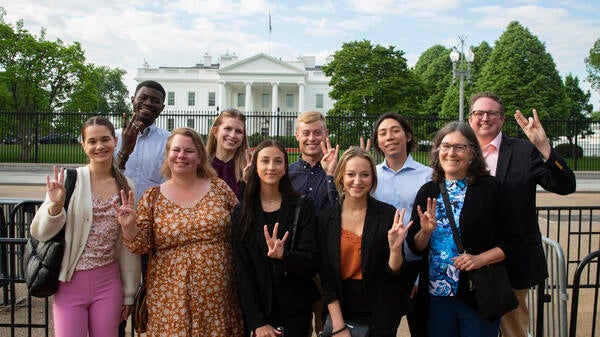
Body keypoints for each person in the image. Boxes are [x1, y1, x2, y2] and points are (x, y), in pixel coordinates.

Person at [466, 92, 576, 337]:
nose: (485, 118)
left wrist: (544, 148)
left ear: (502, 119)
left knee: (514, 330)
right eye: (479, 113)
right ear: (470, 118)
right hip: (467, 261)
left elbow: (565, 186)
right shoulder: (457, 151)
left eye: (492, 113)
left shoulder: (524, 151)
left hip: (513, 262)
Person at [118, 127, 244, 336]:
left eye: (189, 151)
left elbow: (243, 230)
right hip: (170, 298)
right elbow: (139, 245)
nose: (181, 156)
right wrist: (129, 226)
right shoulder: (152, 197)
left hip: (218, 296)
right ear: (167, 155)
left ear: (200, 157)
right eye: (175, 150)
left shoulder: (219, 189)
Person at [406, 122, 523, 337]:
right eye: (445, 146)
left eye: (459, 147)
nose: (451, 153)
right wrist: (425, 232)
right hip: (436, 297)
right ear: (438, 151)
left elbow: (515, 241)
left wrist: (480, 259)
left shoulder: (491, 189)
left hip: (476, 295)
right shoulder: (428, 191)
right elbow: (415, 246)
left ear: (472, 153)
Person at [30, 116, 141, 337]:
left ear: (115, 141)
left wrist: (129, 294)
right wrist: (56, 207)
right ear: (83, 146)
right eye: (92, 141)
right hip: (70, 283)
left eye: (105, 139)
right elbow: (40, 232)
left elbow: (127, 245)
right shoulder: (68, 180)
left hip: (108, 284)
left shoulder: (125, 185)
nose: (99, 146)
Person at [318, 146, 413, 337]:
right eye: (351, 174)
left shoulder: (387, 214)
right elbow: (326, 275)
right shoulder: (325, 219)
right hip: (341, 306)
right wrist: (338, 325)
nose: (358, 181)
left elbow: (394, 273)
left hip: (381, 309)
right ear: (341, 178)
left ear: (372, 179)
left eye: (365, 175)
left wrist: (395, 249)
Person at [232, 139, 320, 337]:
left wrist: (284, 256)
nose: (271, 167)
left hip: (294, 310)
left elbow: (312, 260)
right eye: (265, 161)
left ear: (285, 167)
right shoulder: (241, 213)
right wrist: (257, 321)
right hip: (259, 311)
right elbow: (242, 271)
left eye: (278, 161)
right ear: (255, 166)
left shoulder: (302, 206)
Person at [115, 79, 170, 335]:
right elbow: (101, 180)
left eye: (155, 100)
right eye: (144, 97)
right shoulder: (111, 137)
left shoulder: (168, 142)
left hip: (150, 233)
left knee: (149, 300)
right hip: (113, 230)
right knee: (115, 301)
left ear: (162, 107)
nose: (148, 103)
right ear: (133, 100)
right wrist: (124, 150)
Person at [371, 112, 432, 337]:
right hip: (384, 268)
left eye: (395, 130)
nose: (390, 137)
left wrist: (418, 277)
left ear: (407, 135)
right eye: (383, 133)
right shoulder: (371, 176)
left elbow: (433, 228)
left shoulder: (428, 176)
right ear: (378, 141)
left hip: (418, 266)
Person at [289, 110, 339, 213]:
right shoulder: (287, 174)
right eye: (306, 133)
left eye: (317, 133)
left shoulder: (339, 172)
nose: (311, 138)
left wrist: (331, 175)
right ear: (297, 135)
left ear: (326, 134)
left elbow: (345, 209)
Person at [206, 108, 250, 199]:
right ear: (215, 131)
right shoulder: (201, 165)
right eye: (228, 129)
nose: (233, 135)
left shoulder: (249, 167)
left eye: (238, 131)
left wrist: (251, 182)